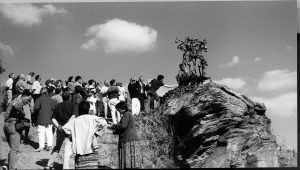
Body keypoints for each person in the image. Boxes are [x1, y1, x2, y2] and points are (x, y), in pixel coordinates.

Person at [62, 100, 107, 169]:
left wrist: (72, 135)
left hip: (79, 150)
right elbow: (104, 123)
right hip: (91, 148)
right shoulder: (93, 118)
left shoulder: (75, 121)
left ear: (79, 110)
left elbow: (64, 128)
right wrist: (97, 133)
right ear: (88, 110)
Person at [46, 91, 78, 169]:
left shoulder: (58, 106)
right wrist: (67, 125)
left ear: (62, 97)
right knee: (69, 148)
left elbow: (53, 118)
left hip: (60, 129)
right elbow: (74, 116)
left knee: (57, 146)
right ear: (70, 97)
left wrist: (58, 126)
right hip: (69, 129)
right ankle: (67, 167)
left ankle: (49, 164)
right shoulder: (73, 105)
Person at [3, 90, 32, 170]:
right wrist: (22, 113)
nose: (28, 102)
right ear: (24, 96)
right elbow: (16, 105)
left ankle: (7, 165)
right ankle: (12, 168)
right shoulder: (18, 100)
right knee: (15, 149)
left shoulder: (14, 100)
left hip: (7, 125)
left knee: (12, 148)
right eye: (28, 100)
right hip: (12, 124)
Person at [110, 101, 141, 169]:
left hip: (128, 139)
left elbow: (123, 125)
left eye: (118, 109)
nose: (118, 111)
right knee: (131, 160)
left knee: (128, 159)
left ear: (122, 108)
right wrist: (115, 130)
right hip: (129, 138)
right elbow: (123, 126)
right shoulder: (127, 114)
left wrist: (114, 126)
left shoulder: (126, 114)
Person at [33, 87, 56, 152]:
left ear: (41, 92)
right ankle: (50, 146)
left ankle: (41, 147)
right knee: (49, 132)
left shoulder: (39, 99)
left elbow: (35, 108)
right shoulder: (51, 99)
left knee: (41, 133)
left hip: (41, 118)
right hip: (49, 118)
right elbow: (55, 108)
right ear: (47, 92)